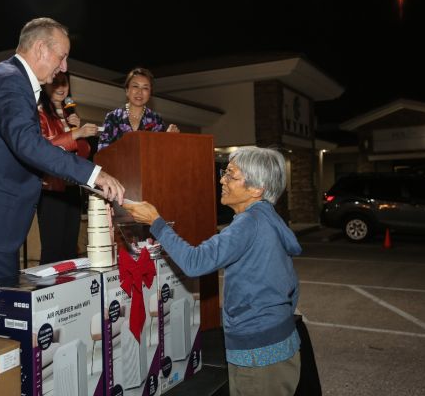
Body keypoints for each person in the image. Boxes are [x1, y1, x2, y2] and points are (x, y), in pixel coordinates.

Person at [0, 17, 124, 329]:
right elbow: (26, 144)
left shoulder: (9, 78)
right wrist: (92, 175)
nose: (63, 67)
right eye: (61, 56)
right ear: (39, 48)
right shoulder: (10, 81)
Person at [124, 146, 301, 396]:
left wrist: (156, 222)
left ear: (256, 189)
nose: (222, 180)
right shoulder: (268, 218)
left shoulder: (248, 224)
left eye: (231, 175)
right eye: (224, 172)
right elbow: (291, 283)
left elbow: (196, 262)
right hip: (280, 344)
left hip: (258, 355)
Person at [37, 72, 98, 264]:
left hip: (72, 189)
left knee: (70, 249)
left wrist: (78, 132)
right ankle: (46, 293)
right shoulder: (39, 113)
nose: (61, 87)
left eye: (64, 82)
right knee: (53, 250)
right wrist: (75, 134)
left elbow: (84, 154)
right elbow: (42, 148)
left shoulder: (70, 113)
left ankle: (68, 291)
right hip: (51, 190)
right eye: (56, 82)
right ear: (46, 85)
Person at [97, 67, 180, 151]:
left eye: (145, 88)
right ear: (127, 90)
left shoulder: (156, 120)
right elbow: (102, 152)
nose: (139, 92)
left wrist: (169, 139)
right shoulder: (113, 117)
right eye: (135, 86)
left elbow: (161, 153)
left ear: (150, 93)